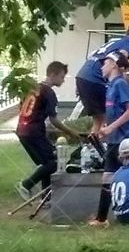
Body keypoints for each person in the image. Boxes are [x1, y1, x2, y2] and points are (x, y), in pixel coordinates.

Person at [15, 61, 82, 200]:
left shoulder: (34, 88)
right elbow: (54, 120)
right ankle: (26, 185)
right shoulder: (49, 92)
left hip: (22, 130)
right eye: (62, 77)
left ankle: (46, 198)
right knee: (53, 163)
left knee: (47, 162)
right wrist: (71, 132)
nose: (63, 81)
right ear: (52, 74)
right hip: (33, 131)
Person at [90, 51, 129, 227]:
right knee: (108, 178)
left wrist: (110, 128)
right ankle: (101, 219)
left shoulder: (120, 84)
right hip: (114, 140)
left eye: (105, 63)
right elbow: (113, 114)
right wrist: (105, 128)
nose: (102, 66)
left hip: (125, 141)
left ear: (114, 65)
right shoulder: (110, 87)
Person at [75, 24, 129, 133]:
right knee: (107, 118)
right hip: (96, 79)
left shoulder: (114, 41)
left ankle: (92, 146)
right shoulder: (128, 44)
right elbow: (119, 60)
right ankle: (101, 144)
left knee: (98, 120)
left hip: (83, 75)